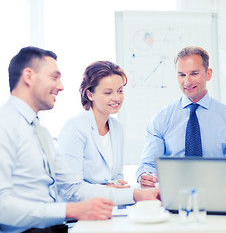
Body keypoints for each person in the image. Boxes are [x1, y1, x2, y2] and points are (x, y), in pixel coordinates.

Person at [0, 46, 159, 233]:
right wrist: (71, 209)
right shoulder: (5, 125)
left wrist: (137, 194)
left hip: (52, 228)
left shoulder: (40, 132)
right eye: (54, 77)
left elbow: (72, 187)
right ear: (29, 77)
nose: (61, 86)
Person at [136, 46, 226, 188]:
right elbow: (148, 164)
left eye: (194, 74)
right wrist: (145, 175)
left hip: (218, 193)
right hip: (174, 195)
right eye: (182, 75)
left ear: (208, 74)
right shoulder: (161, 119)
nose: (187, 82)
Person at [58, 61, 128, 187]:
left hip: (111, 204)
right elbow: (69, 187)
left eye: (120, 91)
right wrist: (108, 188)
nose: (117, 98)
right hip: (82, 205)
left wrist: (119, 184)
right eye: (108, 92)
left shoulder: (117, 127)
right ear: (90, 94)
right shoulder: (75, 127)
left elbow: (116, 175)